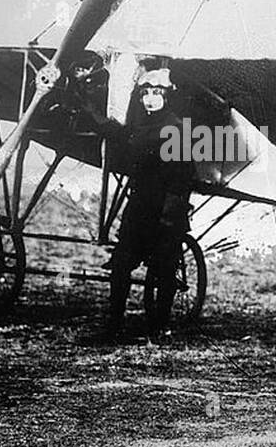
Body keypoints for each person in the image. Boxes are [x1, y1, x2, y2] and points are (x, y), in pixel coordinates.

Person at [74, 67, 195, 334]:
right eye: (146, 93)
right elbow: (116, 132)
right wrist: (88, 107)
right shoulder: (143, 126)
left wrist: (169, 213)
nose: (150, 98)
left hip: (165, 210)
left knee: (164, 269)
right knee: (120, 264)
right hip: (140, 208)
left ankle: (158, 328)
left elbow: (183, 176)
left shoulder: (175, 128)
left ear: (167, 96)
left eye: (156, 93)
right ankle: (114, 323)